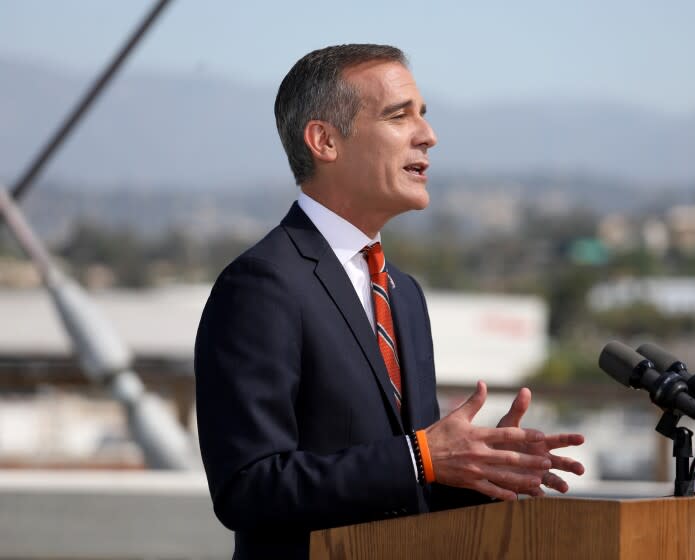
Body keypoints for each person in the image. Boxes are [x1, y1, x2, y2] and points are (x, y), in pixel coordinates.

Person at [194, 44, 585, 559]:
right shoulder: (260, 286)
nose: (428, 135)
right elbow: (247, 488)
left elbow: (403, 486)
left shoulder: (404, 294)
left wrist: (475, 469)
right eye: (399, 116)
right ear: (325, 141)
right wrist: (423, 456)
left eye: (423, 114)